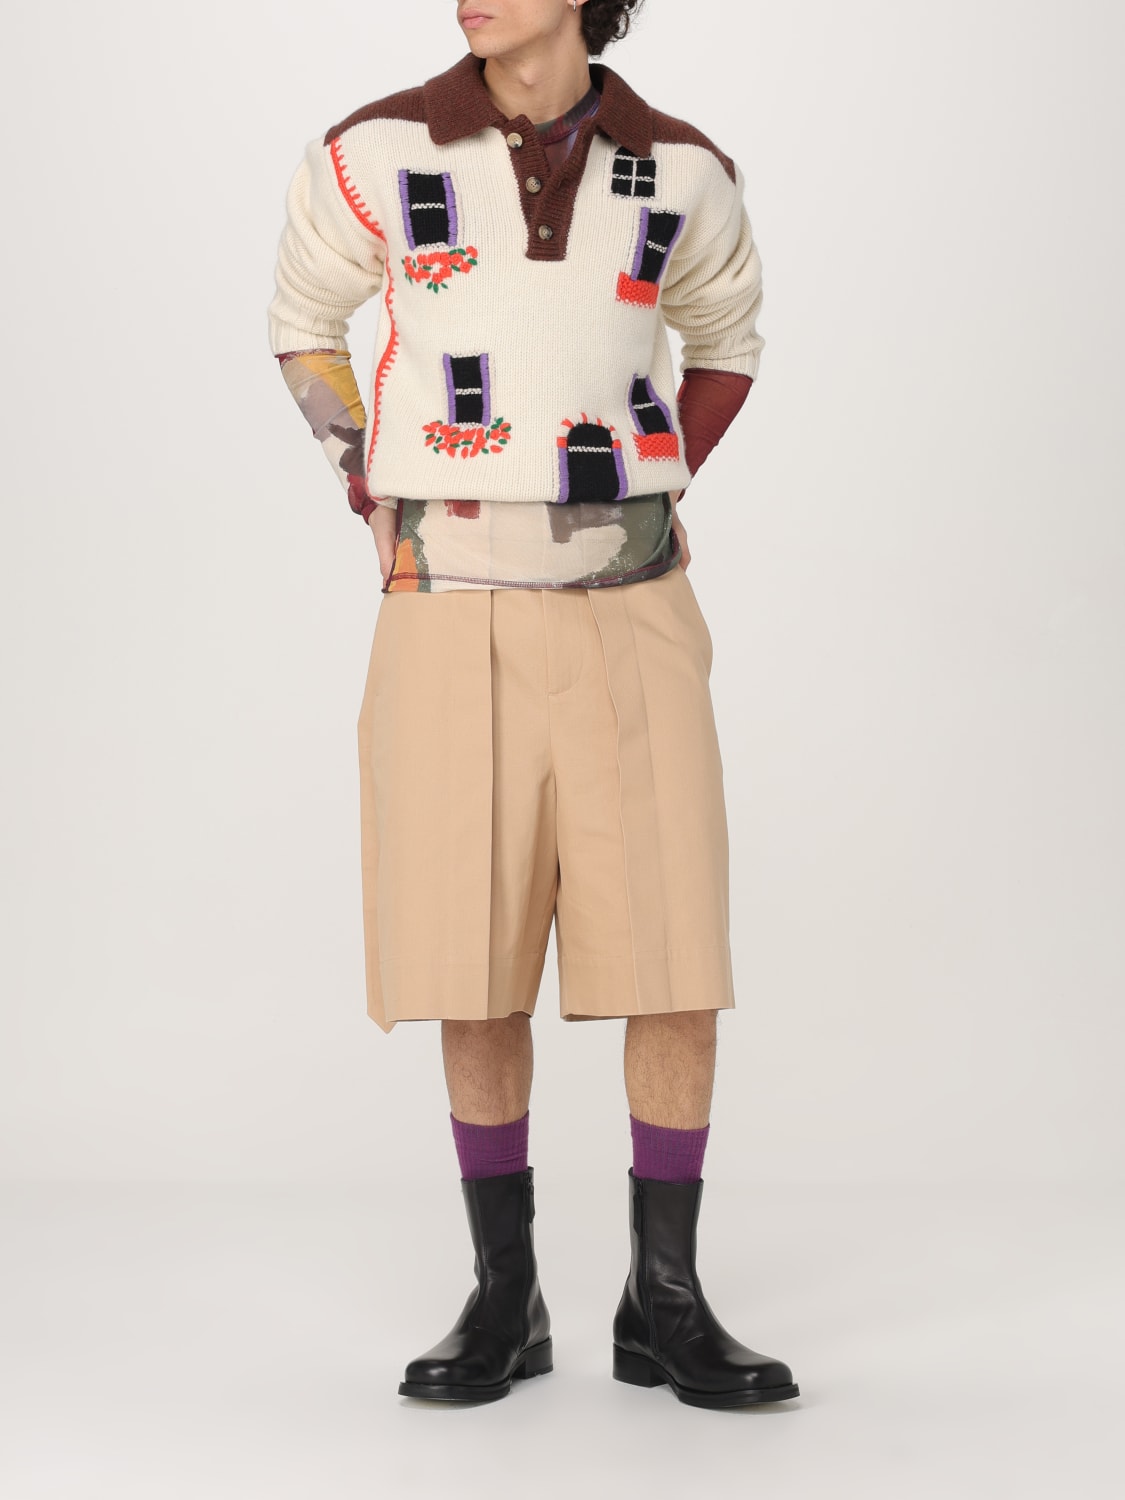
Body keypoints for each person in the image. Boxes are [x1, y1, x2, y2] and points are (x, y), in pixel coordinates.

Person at [268, 0, 800, 1410]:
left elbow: (729, 336)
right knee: (468, 947)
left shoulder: (681, 168)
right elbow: (301, 322)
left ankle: (663, 1301)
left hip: (634, 602)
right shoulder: (375, 151)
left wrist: (638, 484)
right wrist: (365, 479)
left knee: (672, 944)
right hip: (445, 600)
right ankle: (504, 1298)